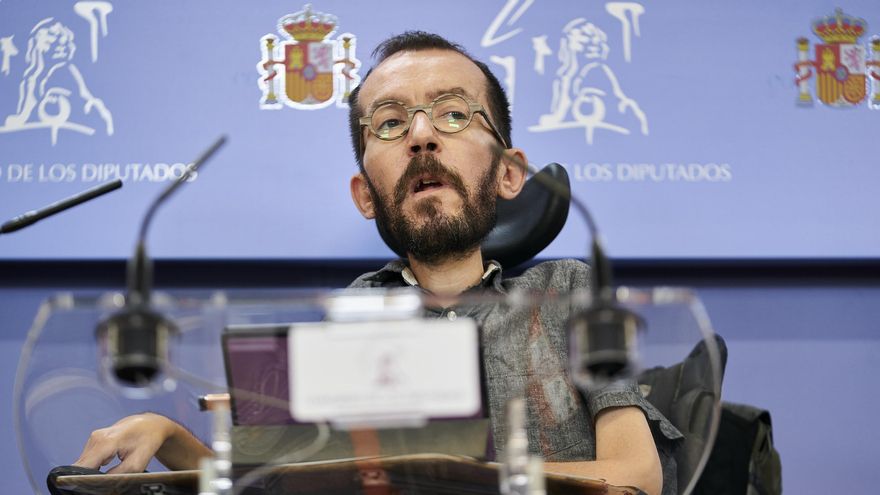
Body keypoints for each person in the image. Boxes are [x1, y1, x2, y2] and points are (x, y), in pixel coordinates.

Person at [74, 31, 679, 495]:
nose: (421, 135)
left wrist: (445, 479)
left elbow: (635, 475)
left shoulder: (571, 291)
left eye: (453, 114)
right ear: (366, 195)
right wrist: (173, 438)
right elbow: (280, 487)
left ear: (508, 172)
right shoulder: (346, 319)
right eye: (389, 123)